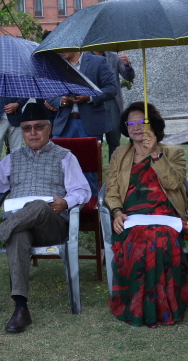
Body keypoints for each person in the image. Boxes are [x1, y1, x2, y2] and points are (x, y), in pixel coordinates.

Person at [0, 102, 90, 334]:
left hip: (52, 225)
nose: (32, 133)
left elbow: (83, 191)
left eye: (38, 127)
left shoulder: (65, 157)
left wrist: (66, 202)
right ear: (22, 132)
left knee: (37, 205)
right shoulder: (12, 159)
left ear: (49, 128)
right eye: (27, 128)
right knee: (17, 235)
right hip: (18, 226)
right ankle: (21, 308)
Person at [105, 102, 188, 327]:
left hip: (167, 216)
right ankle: (140, 308)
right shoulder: (120, 154)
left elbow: (174, 183)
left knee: (160, 237)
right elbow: (111, 190)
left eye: (142, 122)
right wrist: (117, 212)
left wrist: (155, 155)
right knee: (142, 239)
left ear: (154, 125)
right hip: (131, 218)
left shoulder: (174, 152)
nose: (136, 127)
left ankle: (164, 308)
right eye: (130, 123)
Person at [45, 51, 117, 194]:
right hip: (64, 125)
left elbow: (111, 88)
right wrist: (61, 101)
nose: (60, 51)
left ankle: (93, 202)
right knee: (60, 166)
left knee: (90, 168)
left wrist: (90, 97)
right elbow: (48, 92)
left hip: (90, 124)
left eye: (64, 47)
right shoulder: (56, 65)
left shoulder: (98, 62)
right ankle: (66, 202)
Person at [92, 51, 135, 159]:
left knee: (114, 137)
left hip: (112, 101)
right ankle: (95, 166)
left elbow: (128, 77)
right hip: (92, 101)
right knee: (94, 141)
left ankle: (115, 165)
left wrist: (127, 65)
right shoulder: (85, 57)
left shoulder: (114, 57)